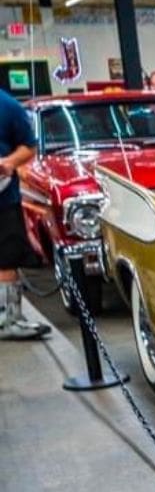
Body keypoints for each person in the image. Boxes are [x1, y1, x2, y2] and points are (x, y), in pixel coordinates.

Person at [0, 88, 48, 340]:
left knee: (7, 257)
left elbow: (29, 147)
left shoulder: (7, 106)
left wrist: (8, 162)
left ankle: (8, 319)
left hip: (3, 198)